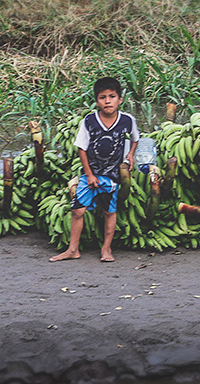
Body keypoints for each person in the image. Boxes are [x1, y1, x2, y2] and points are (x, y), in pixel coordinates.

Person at [50, 77, 138, 263]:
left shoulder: (127, 120)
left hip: (112, 176)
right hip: (91, 175)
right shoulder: (89, 121)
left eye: (112, 96)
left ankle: (106, 249)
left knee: (109, 212)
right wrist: (89, 174)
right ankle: (73, 249)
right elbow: (81, 148)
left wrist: (130, 154)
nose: (107, 101)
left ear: (120, 99)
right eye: (102, 97)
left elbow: (135, 138)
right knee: (77, 210)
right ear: (97, 101)